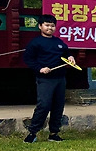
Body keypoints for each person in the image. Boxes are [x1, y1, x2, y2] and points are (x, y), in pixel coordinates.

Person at [21, 13, 76, 143]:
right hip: (45, 79)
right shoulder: (35, 43)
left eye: (52, 26)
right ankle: (32, 133)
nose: (50, 28)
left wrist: (70, 57)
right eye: (47, 25)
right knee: (44, 105)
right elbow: (28, 59)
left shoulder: (59, 42)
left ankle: (54, 133)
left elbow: (67, 54)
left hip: (60, 78)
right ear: (40, 26)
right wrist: (40, 68)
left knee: (58, 106)